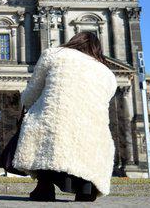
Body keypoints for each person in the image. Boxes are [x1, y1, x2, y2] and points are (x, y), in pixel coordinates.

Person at [13, 32, 117, 202]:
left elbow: (30, 96)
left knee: (44, 119)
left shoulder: (54, 55)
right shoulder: (108, 74)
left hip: (54, 126)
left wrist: (29, 103)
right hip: (93, 135)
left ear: (73, 42)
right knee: (89, 128)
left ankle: (44, 185)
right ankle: (86, 187)